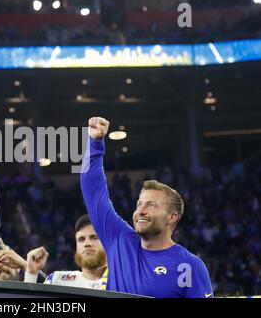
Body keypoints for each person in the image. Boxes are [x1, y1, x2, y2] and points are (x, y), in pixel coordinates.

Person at [80, 117, 214, 298]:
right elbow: (93, 191)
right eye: (139, 204)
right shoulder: (119, 239)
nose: (140, 211)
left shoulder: (189, 266)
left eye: (151, 205)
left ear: (171, 217)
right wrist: (95, 144)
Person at [24, 214, 107, 289]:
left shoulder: (118, 282)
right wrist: (31, 274)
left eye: (94, 237)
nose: (87, 243)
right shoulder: (57, 281)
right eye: (81, 239)